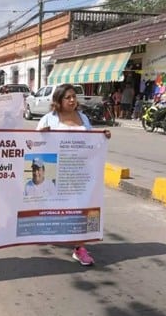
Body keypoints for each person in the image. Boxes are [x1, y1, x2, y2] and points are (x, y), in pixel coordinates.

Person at [36, 83, 111, 266]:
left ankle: (80, 247)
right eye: (67, 97)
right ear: (58, 100)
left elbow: (91, 142)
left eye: (74, 97)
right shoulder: (48, 119)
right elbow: (33, 143)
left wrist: (103, 136)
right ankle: (52, 232)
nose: (72, 100)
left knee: (82, 207)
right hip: (57, 172)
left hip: (79, 172)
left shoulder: (83, 118)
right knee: (54, 206)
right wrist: (41, 135)